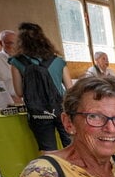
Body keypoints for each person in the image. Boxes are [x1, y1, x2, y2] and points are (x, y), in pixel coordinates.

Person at [9, 22, 73, 152]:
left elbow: (19, 92)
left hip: (38, 113)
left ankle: (52, 171)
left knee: (48, 151)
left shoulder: (17, 62)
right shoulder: (58, 61)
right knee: (72, 147)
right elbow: (70, 89)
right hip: (61, 110)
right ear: (43, 39)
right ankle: (75, 171)